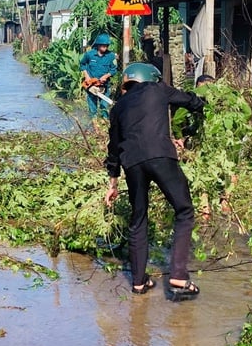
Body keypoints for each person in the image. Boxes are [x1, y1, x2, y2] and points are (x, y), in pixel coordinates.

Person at [104, 62, 205, 298]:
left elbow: (113, 148)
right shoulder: (157, 89)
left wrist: (112, 183)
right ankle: (178, 276)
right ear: (150, 78)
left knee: (138, 219)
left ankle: (139, 282)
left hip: (132, 164)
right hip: (160, 156)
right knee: (184, 210)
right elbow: (189, 101)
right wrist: (205, 104)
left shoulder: (118, 107)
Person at [80, 33, 118, 119]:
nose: (105, 47)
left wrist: (106, 76)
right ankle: (94, 124)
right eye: (103, 45)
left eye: (106, 45)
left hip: (104, 86)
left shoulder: (111, 56)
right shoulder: (89, 54)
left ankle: (104, 122)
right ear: (98, 45)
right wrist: (86, 76)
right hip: (92, 86)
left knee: (104, 107)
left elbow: (114, 69)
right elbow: (82, 64)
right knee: (92, 109)